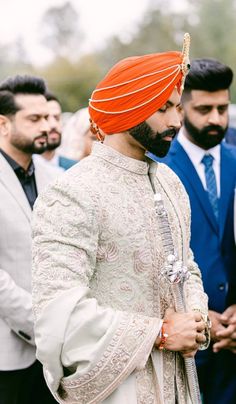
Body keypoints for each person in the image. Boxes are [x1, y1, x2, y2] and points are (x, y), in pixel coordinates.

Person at [32, 35, 210, 404]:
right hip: (120, 388)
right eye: (164, 108)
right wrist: (159, 334)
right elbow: (57, 311)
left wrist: (196, 318)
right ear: (130, 108)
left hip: (180, 382)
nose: (177, 120)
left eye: (178, 107)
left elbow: (185, 263)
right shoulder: (74, 191)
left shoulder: (169, 181)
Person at [151, 58, 236, 403]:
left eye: (222, 107)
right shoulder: (155, 167)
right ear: (181, 109)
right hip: (182, 343)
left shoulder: (235, 160)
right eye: (204, 109)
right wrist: (201, 318)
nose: (215, 118)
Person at [0, 75, 58, 403]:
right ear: (4, 124)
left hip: (61, 351)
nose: (47, 126)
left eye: (49, 117)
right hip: (7, 353)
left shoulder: (58, 177)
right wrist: (39, 321)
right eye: (34, 119)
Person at [35, 92, 77, 171]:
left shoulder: (74, 168)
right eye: (46, 118)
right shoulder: (24, 169)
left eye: (57, 117)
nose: (53, 125)